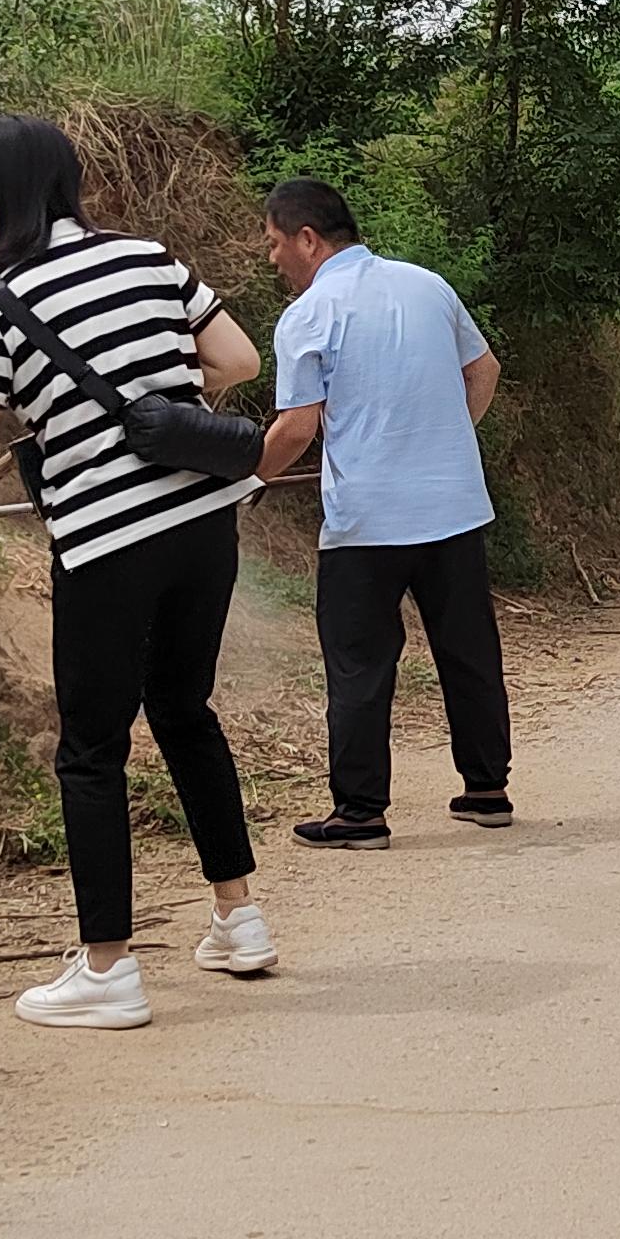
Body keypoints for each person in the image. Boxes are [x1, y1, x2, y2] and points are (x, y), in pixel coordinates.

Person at [0, 115, 270, 1031]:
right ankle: (238, 920)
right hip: (206, 524)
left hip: (108, 545)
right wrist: (154, 404)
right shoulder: (148, 257)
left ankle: (108, 970)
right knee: (183, 711)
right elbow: (237, 361)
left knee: (91, 748)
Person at [256, 179, 515, 849]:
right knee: (468, 651)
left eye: (275, 242)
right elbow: (483, 369)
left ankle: (361, 811)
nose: (272, 258)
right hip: (453, 503)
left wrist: (243, 480)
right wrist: (448, 438)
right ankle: (487, 789)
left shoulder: (309, 315)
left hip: (365, 520)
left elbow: (295, 430)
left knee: (359, 662)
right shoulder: (427, 285)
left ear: (308, 239)